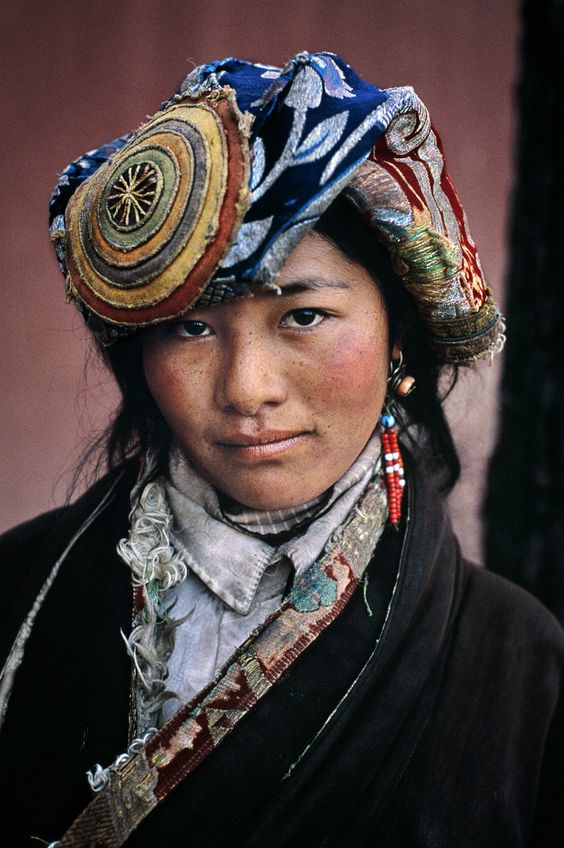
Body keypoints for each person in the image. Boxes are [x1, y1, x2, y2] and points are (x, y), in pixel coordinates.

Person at [0, 52, 562, 847]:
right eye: (190, 327)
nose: (246, 389)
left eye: (302, 317)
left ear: (398, 335)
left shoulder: (520, 669)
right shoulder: (17, 594)